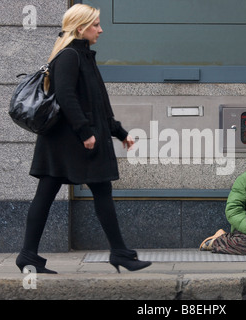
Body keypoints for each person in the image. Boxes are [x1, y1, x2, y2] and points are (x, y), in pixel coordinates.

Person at [15, 4, 151, 274]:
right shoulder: (69, 57)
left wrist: (120, 133)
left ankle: (29, 255)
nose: (100, 30)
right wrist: (85, 132)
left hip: (71, 140)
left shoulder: (83, 56)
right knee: (64, 192)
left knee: (72, 192)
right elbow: (66, 97)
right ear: (81, 28)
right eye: (95, 25)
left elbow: (97, 103)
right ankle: (119, 253)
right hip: (69, 142)